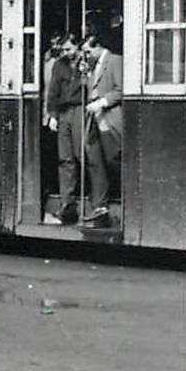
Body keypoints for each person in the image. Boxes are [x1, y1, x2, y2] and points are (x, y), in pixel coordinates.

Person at [81, 31, 123, 226]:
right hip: (94, 119)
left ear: (98, 47)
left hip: (108, 117)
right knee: (95, 161)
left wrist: (102, 102)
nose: (86, 56)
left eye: (88, 52)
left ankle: (118, 204)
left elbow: (121, 90)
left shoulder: (115, 60)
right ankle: (100, 207)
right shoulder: (92, 66)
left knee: (113, 159)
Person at [43, 33, 86, 223]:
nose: (66, 53)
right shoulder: (59, 65)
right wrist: (52, 115)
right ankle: (67, 204)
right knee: (65, 158)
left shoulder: (85, 62)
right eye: (63, 50)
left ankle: (90, 201)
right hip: (64, 112)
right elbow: (53, 91)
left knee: (83, 155)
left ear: (77, 47)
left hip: (81, 109)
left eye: (69, 49)